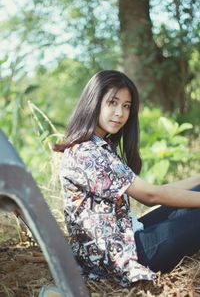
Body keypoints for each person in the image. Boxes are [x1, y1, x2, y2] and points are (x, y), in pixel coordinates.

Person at [54, 70, 200, 287]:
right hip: (121, 256)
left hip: (128, 237)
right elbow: (150, 196)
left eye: (126, 105)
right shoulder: (87, 153)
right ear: (94, 102)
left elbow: (156, 189)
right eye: (112, 102)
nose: (120, 113)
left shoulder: (99, 147)